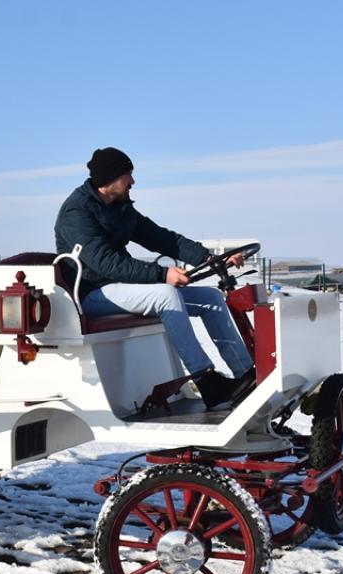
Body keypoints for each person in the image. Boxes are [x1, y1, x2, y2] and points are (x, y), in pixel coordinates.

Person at [54, 147, 254, 409]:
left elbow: (161, 237)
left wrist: (208, 258)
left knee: (211, 298)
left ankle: (245, 374)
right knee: (166, 294)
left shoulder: (119, 207)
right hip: (93, 293)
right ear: (110, 179)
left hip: (119, 287)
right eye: (128, 175)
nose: (133, 182)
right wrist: (162, 274)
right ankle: (208, 383)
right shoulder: (76, 213)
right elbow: (105, 263)